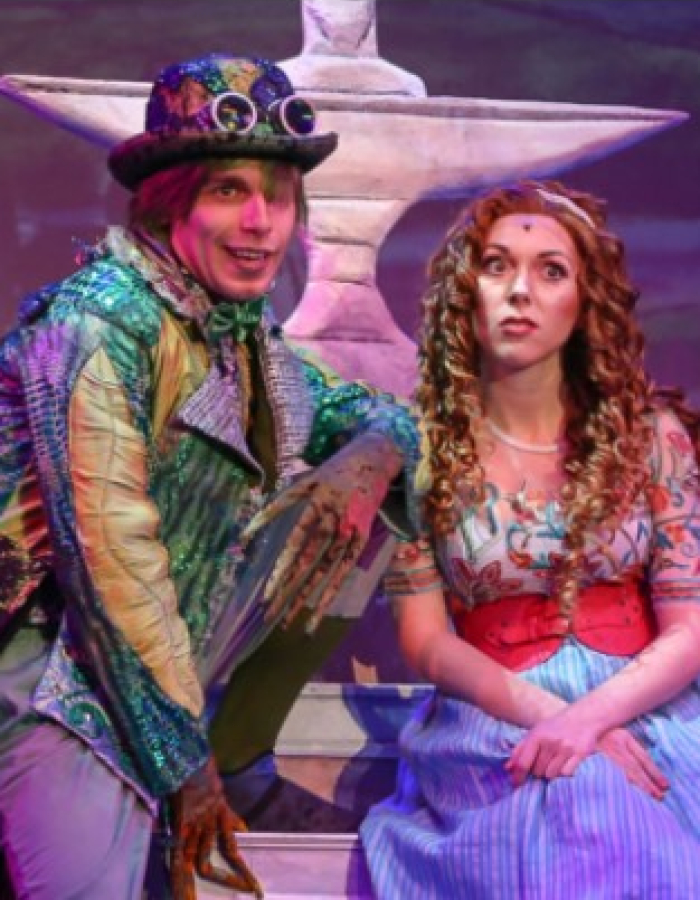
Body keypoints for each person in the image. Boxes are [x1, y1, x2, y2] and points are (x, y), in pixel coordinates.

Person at [0, 53, 417, 900]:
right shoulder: (99, 322)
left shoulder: (240, 333)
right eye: (230, 191)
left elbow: (376, 415)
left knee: (374, 490)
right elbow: (111, 567)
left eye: (279, 195)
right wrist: (183, 766)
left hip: (164, 667)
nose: (261, 222)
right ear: (170, 203)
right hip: (53, 672)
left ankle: (242, 749)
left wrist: (368, 458)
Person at [360, 180, 700, 898]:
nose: (520, 291)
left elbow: (690, 627)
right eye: (496, 266)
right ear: (463, 292)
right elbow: (426, 642)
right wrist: (558, 720)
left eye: (551, 271)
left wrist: (592, 719)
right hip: (498, 711)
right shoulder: (416, 449)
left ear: (585, 302)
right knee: (585, 799)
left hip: (648, 705)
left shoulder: (652, 438)